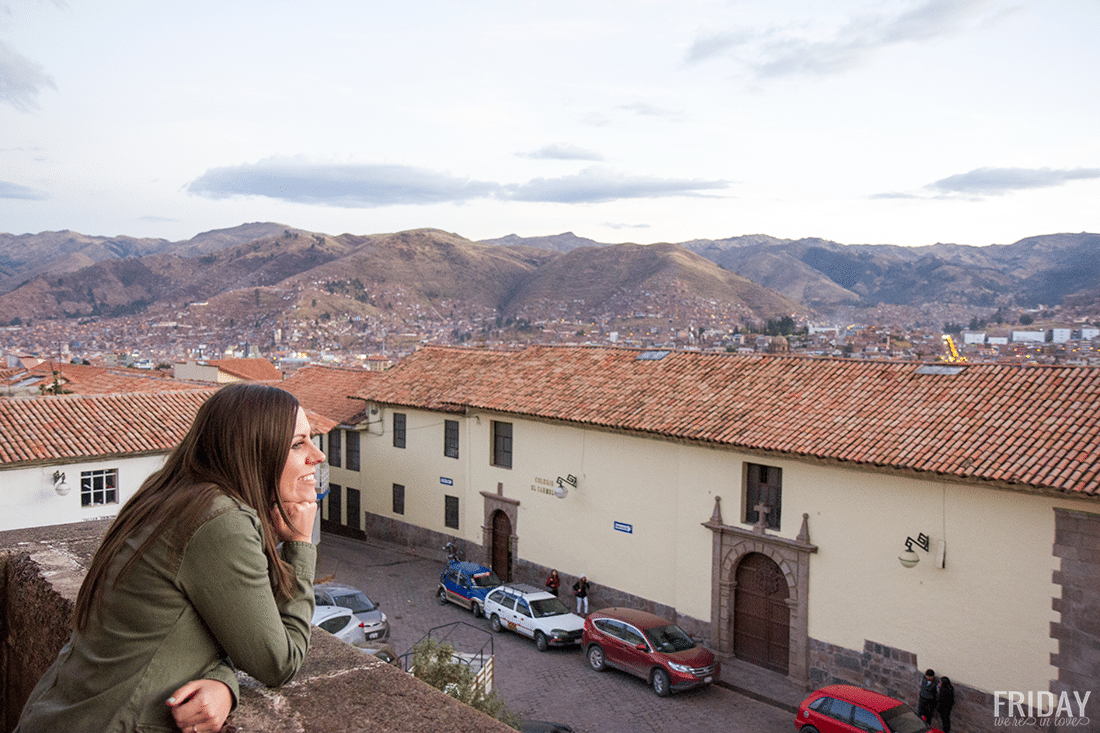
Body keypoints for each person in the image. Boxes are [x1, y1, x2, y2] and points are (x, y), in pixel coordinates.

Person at [15, 383, 323, 733]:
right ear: (254, 450)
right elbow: (278, 662)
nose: (318, 455)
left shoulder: (171, 494)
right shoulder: (219, 521)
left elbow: (195, 633)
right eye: (298, 444)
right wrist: (300, 542)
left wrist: (224, 682)